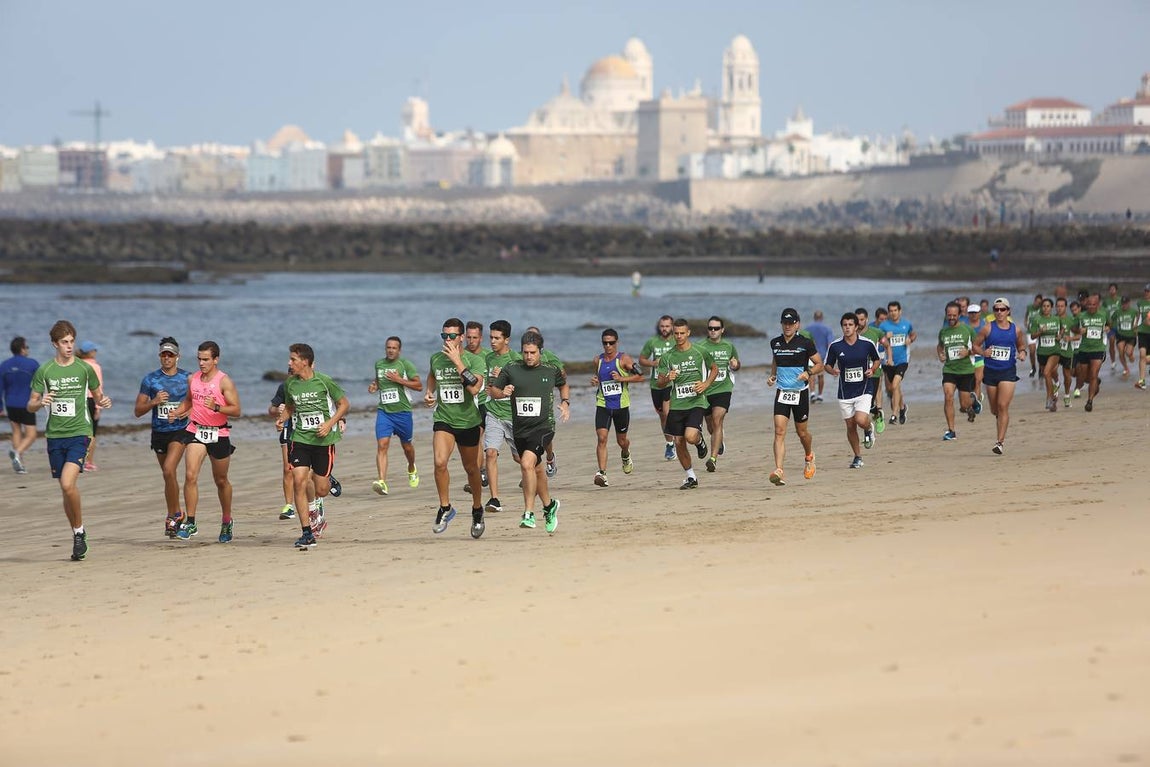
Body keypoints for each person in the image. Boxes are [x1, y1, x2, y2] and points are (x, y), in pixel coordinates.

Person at [26, 320, 112, 561]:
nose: (69, 346)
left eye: (72, 341)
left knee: (67, 483)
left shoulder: (84, 369)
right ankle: (78, 532)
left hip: (80, 433)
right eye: (64, 342)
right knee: (66, 490)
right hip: (55, 436)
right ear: (55, 344)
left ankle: (79, 532)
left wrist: (104, 402)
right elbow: (30, 404)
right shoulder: (45, 371)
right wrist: (40, 402)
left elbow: (98, 396)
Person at [489, 330, 570, 532]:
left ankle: (529, 513)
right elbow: (494, 390)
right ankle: (549, 506)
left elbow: (563, 384)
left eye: (532, 353)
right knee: (536, 469)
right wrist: (502, 392)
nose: (528, 356)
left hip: (544, 427)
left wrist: (565, 403)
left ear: (540, 352)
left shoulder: (550, 370)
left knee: (526, 464)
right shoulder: (512, 368)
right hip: (521, 429)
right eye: (525, 352)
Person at [167, 341, 241, 543]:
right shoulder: (193, 379)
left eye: (206, 359)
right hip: (196, 430)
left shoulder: (224, 381)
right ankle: (191, 522)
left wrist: (217, 407)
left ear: (216, 359)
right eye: (199, 359)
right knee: (190, 475)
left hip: (219, 434)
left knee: (221, 480)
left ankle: (226, 520)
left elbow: (236, 410)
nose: (202, 363)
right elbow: (189, 401)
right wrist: (178, 411)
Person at [277, 343, 349, 549]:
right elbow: (290, 406)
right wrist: (282, 419)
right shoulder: (290, 384)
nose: (289, 363)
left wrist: (329, 424)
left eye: (293, 359)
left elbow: (344, 404)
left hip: (323, 441)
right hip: (300, 439)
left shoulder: (324, 381)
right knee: (298, 480)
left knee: (321, 489)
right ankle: (307, 532)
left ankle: (325, 485)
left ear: (305, 362)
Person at [425, 318, 486, 539]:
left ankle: (477, 509)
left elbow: (475, 389)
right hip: (444, 418)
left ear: (461, 337)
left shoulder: (475, 360)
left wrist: (458, 361)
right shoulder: (436, 359)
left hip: (468, 421)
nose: (448, 340)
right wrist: (430, 393)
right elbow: (432, 376)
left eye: (452, 336)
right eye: (444, 336)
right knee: (440, 462)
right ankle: (445, 507)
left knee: (472, 470)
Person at [132, 337, 190, 537]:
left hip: (180, 430)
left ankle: (173, 516)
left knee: (168, 469)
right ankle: (175, 513)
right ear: (159, 356)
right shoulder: (150, 380)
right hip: (159, 432)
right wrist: (154, 401)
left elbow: (195, 402)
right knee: (168, 475)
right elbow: (138, 411)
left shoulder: (188, 378)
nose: (167, 358)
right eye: (164, 354)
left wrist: (184, 411)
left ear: (177, 357)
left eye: (170, 355)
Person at [654, 318, 718, 490]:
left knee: (690, 437)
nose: (679, 336)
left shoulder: (700, 351)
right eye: (676, 333)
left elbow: (715, 368)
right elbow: (659, 382)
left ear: (688, 333)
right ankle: (691, 477)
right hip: (677, 404)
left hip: (696, 401)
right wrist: (668, 378)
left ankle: (699, 442)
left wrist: (706, 384)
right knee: (679, 442)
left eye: (682, 333)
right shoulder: (667, 357)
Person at [767, 308, 822, 486]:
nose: (788, 326)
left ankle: (809, 456)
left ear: (797, 324)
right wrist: (773, 375)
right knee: (779, 431)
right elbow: (776, 359)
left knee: (802, 432)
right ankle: (779, 470)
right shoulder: (775, 342)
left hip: (800, 393)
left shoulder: (805, 343)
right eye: (785, 323)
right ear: (781, 324)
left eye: (791, 323)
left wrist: (809, 372)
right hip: (782, 392)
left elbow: (820, 364)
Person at [824, 312, 881, 468]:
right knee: (850, 426)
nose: (847, 328)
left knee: (860, 419)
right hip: (844, 392)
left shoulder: (867, 343)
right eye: (844, 325)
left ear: (856, 327)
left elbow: (877, 359)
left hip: (863, 389)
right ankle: (858, 457)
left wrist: (872, 369)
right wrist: (832, 371)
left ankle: (869, 428)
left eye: (850, 325)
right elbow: (827, 364)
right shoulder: (836, 346)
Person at [368, 336, 422, 496]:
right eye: (388, 347)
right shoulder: (379, 364)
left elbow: (418, 385)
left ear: (399, 350)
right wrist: (374, 386)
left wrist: (399, 379)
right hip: (384, 412)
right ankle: (382, 481)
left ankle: (411, 467)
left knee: (407, 447)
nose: (391, 350)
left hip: (403, 413)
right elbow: (379, 381)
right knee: (382, 445)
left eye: (394, 348)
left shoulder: (405, 365)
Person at [972, 297, 1027, 454]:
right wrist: (984, 352)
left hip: (1008, 371)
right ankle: (1000, 424)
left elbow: (1021, 344)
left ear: (1008, 311)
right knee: (995, 410)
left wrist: (1022, 353)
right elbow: (975, 345)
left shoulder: (1015, 330)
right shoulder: (987, 328)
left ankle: (999, 442)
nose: (999, 312)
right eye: (996, 309)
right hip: (991, 372)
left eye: (1002, 309)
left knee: (1003, 406)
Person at [589, 327, 642, 487]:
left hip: (621, 406)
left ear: (616, 343)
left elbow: (640, 376)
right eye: (605, 343)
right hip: (603, 404)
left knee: (622, 441)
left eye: (611, 343)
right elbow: (599, 378)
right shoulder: (597, 360)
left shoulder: (623, 359)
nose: (608, 346)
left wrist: (622, 379)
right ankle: (602, 473)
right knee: (602, 438)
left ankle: (625, 454)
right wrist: (595, 381)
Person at [481, 320, 520, 511]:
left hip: (514, 416)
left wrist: (505, 380)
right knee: (490, 453)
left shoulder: (517, 360)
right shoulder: (488, 358)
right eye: (491, 337)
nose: (493, 341)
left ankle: (538, 479)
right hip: (494, 413)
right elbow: (489, 388)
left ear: (507, 340)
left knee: (521, 459)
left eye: (497, 338)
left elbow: (524, 386)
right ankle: (494, 499)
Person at [696, 315, 740, 472]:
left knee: (717, 419)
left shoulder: (729, 346)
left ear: (722, 330)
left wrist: (735, 364)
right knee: (710, 424)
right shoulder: (700, 346)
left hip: (724, 388)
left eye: (716, 328)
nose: (713, 331)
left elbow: (737, 364)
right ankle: (718, 440)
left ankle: (713, 459)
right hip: (706, 390)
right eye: (710, 328)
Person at [525, 325, 565, 477]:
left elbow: (562, 376)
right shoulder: (521, 356)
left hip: (545, 404)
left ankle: (549, 458)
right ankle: (532, 469)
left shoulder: (549, 356)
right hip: (525, 403)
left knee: (545, 437)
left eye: (534, 337)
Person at [936, 302, 978, 440]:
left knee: (964, 405)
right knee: (948, 396)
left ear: (960, 315)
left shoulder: (968, 330)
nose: (952, 318)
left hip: (966, 371)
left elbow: (979, 347)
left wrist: (969, 351)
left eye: (954, 315)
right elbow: (939, 346)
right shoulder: (943, 331)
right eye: (949, 315)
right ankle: (951, 431)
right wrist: (940, 354)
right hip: (949, 370)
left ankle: (973, 402)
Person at [639, 315, 677, 461]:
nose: (664, 329)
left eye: (667, 326)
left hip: (671, 383)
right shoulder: (652, 342)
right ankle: (669, 443)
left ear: (672, 327)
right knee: (662, 416)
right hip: (656, 384)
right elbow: (642, 360)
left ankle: (678, 439)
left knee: (668, 413)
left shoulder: (677, 341)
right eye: (662, 326)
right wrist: (654, 363)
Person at [1, 335, 39, 474]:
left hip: (10, 403)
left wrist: (0, 407)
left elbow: (0, 388)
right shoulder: (32, 364)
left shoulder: (4, 365)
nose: (28, 349)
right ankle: (17, 453)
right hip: (26, 403)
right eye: (27, 347)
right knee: (31, 435)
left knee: (16, 431)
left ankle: (20, 465)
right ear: (22, 349)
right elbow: (40, 383)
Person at [878, 301, 916, 425]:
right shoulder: (884, 326)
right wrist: (885, 336)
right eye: (891, 311)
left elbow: (913, 334)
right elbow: (879, 340)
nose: (893, 313)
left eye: (895, 310)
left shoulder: (906, 324)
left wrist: (910, 339)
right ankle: (902, 407)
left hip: (902, 360)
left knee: (895, 385)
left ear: (900, 311)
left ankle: (894, 415)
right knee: (891, 389)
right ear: (888, 312)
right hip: (888, 362)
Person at [462, 321, 490, 492]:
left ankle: (479, 476)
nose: (471, 341)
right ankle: (483, 471)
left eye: (475, 338)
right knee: (472, 443)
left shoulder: (488, 356)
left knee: (477, 439)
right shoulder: (460, 355)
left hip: (484, 403)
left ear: (481, 338)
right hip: (465, 405)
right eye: (469, 337)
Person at [1074, 293, 1109, 412]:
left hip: (1098, 349)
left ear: (1097, 305)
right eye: (1089, 304)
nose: (1091, 307)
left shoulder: (1104, 314)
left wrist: (1108, 328)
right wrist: (1079, 330)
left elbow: (1110, 324)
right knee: (1084, 376)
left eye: (1093, 305)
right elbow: (1073, 328)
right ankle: (1095, 385)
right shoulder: (1081, 316)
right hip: (1084, 349)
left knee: (1093, 374)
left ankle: (1090, 401)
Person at [856, 308, 887, 433]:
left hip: (874, 372)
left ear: (867, 319)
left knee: (868, 403)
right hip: (858, 372)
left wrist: (888, 358)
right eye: (857, 320)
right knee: (860, 403)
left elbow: (887, 345)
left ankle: (873, 422)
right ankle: (873, 419)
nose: (860, 322)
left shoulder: (876, 332)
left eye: (862, 319)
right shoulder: (852, 334)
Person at [1028, 297, 1061, 411]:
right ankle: (1054, 401)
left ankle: (1049, 398)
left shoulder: (1057, 319)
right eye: (1043, 306)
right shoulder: (1037, 320)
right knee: (1048, 375)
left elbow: (1061, 331)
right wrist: (1040, 332)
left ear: (1051, 308)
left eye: (1048, 306)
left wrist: (1060, 336)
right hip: (1042, 352)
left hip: (1055, 351)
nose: (1045, 308)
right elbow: (1032, 336)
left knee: (1046, 373)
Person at [77, 340, 104, 471]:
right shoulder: (95, 367)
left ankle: (76, 460)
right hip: (90, 400)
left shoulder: (76, 365)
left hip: (77, 401)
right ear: (91, 352)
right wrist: (99, 407)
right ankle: (88, 462)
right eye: (95, 350)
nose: (96, 352)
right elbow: (98, 388)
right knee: (91, 433)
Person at [803, 310, 834, 403]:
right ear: (822, 317)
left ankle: (812, 393)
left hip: (810, 354)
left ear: (814, 317)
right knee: (820, 375)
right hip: (822, 354)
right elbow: (830, 344)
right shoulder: (827, 329)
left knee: (811, 374)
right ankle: (820, 395)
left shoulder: (807, 329)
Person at [1111, 295, 1138, 378]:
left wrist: (1136, 326)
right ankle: (1126, 368)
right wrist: (1111, 329)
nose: (1124, 305)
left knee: (1128, 352)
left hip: (1131, 335)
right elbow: (1111, 320)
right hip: (1120, 335)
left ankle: (1130, 355)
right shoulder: (1117, 312)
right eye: (1123, 303)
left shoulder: (1134, 312)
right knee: (1121, 351)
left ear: (1129, 303)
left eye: (1126, 303)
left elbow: (1139, 320)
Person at [1024, 294, 1044, 377]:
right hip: (1030, 332)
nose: (1037, 304)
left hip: (1039, 332)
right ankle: (1033, 367)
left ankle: (1041, 369)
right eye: (1036, 302)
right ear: (1034, 301)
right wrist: (1025, 323)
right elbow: (1026, 317)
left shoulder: (1042, 309)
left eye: (1039, 303)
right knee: (1032, 352)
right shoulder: (1029, 307)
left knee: (1040, 352)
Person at [1136, 283, 1150, 390]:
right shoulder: (1140, 303)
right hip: (1142, 332)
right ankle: (1142, 380)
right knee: (1142, 355)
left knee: (1147, 358)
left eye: (1148, 291)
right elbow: (1139, 315)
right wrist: (1135, 325)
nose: (1146, 293)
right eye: (1145, 291)